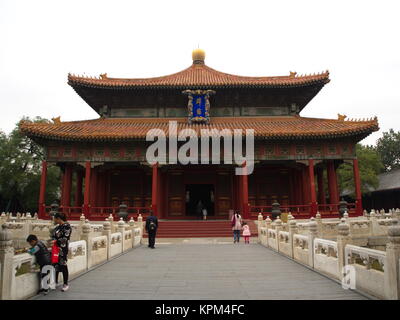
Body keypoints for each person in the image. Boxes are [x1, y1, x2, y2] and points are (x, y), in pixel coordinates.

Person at [52, 212, 72, 292]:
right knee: (55, 264)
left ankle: (65, 284)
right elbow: (53, 236)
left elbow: (65, 238)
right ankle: (55, 282)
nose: (54, 220)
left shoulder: (67, 227)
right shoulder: (57, 227)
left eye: (55, 218)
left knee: (63, 265)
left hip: (62, 249)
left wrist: (55, 241)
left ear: (59, 219)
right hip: (55, 248)